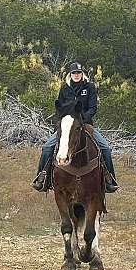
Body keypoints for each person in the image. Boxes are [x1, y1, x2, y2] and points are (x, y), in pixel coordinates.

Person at [32, 62, 119, 193]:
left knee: (105, 148)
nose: (76, 75)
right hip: (67, 125)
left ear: (82, 74)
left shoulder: (89, 87)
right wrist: (63, 122)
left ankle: (109, 179)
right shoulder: (64, 89)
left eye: (78, 73)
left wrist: (82, 119)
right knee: (46, 148)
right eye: (74, 73)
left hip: (85, 124)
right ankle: (42, 176)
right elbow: (59, 108)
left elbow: (93, 107)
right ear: (70, 75)